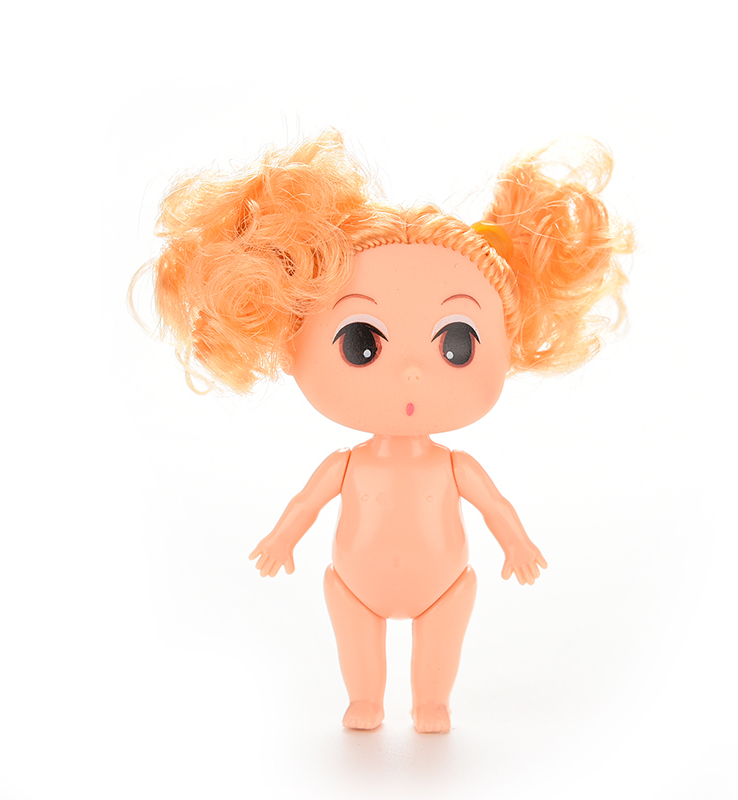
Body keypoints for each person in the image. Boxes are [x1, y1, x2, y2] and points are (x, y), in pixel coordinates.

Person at [136, 131, 632, 732]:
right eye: (362, 343)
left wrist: (517, 544)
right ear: (291, 340)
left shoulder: (454, 467)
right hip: (355, 584)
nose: (413, 372)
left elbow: (495, 505)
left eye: (456, 343)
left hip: (445, 584)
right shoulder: (347, 465)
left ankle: (431, 702)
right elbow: (306, 503)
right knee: (357, 640)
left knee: (440, 642)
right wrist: (282, 538)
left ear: (511, 345)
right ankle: (365, 699)